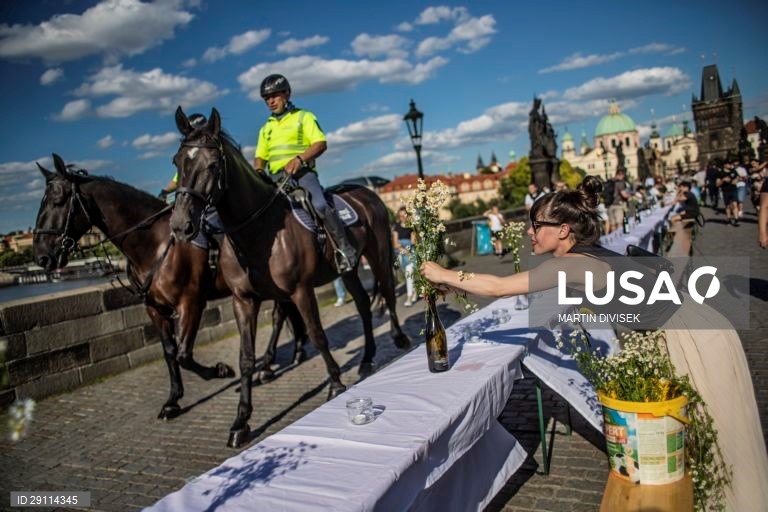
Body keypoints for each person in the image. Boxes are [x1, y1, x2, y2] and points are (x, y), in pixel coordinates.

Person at [422, 176, 768, 510]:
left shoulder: (571, 265)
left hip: (693, 337)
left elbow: (499, 287)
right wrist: (458, 286)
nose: (529, 231)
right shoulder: (585, 256)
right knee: (702, 439)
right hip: (693, 326)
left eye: (535, 224)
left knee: (723, 439)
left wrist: (441, 273)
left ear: (563, 230)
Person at [253, 74, 356, 273]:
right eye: (267, 98)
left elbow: (320, 143)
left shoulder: (304, 117)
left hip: (302, 175)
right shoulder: (266, 128)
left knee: (319, 205)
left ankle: (345, 250)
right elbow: (260, 156)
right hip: (274, 179)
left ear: (287, 94)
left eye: (274, 95)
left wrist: (299, 160)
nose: (270, 101)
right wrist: (258, 170)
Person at [392, 207, 417, 307]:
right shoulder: (396, 227)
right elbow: (394, 244)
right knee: (408, 275)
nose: (402, 217)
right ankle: (414, 292)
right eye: (400, 216)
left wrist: (405, 248)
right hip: (400, 255)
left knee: (409, 274)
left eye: (404, 215)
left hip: (411, 253)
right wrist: (402, 248)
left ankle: (409, 296)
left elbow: (413, 242)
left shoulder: (412, 227)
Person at [606, 169, 630, 233]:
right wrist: (629, 196)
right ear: (621, 174)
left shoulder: (610, 181)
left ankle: (614, 239)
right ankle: (620, 239)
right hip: (618, 205)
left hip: (609, 205)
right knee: (619, 224)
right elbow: (624, 194)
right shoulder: (620, 183)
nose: (623, 177)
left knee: (612, 225)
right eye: (623, 175)